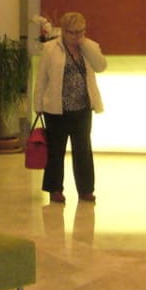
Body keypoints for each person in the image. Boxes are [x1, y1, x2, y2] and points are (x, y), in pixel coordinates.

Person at [34, 11, 107, 204]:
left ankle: (86, 190)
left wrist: (86, 45)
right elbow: (41, 78)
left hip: (82, 108)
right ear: (63, 31)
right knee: (55, 151)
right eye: (73, 32)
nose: (77, 36)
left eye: (81, 31)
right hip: (56, 108)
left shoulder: (89, 47)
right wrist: (38, 104)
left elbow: (101, 66)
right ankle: (55, 189)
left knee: (83, 150)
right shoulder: (50, 49)